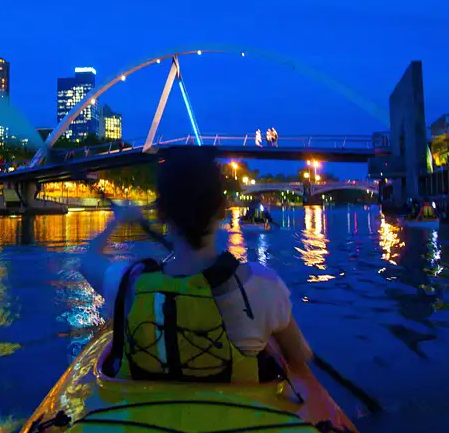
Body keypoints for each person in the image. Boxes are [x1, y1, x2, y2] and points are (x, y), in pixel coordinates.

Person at [79, 148, 313, 383]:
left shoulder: (128, 284)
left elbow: (87, 260)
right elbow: (299, 356)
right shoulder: (264, 287)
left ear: (161, 214)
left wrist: (118, 220)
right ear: (222, 209)